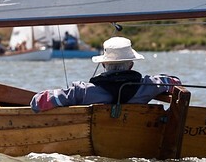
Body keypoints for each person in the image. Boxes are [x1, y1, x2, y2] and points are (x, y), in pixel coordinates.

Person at [30, 36, 181, 112]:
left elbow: (38, 103)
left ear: (103, 64)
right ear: (131, 65)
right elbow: (175, 82)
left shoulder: (83, 91)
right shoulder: (148, 86)